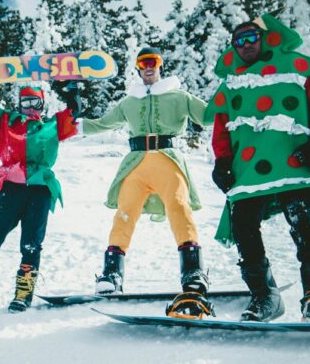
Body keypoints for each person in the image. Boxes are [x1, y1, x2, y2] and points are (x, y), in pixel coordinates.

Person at [207, 14, 310, 322]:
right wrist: (222, 160)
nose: (245, 44)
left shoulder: (296, 68)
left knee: (305, 226)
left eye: (251, 37)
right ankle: (265, 297)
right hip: (249, 170)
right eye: (238, 40)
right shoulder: (231, 84)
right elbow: (221, 125)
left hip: (294, 163)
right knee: (243, 228)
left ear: (265, 38)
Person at [81, 47, 214, 318]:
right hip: (135, 163)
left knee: (179, 207)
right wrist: (72, 121)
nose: (149, 66)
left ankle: (193, 274)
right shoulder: (128, 102)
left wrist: (232, 100)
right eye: (143, 63)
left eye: (153, 61)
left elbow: (210, 116)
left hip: (168, 159)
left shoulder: (179, 96)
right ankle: (111, 275)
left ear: (160, 65)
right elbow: (102, 124)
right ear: (138, 68)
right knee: (124, 215)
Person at [0, 83, 81, 312]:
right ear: (19, 104)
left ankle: (23, 294)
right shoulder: (7, 121)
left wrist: (71, 94)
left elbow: (74, 114)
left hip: (40, 189)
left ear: (42, 103)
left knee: (31, 244)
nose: (29, 107)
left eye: (34, 102)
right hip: (10, 187)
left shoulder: (52, 125)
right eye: (25, 102)